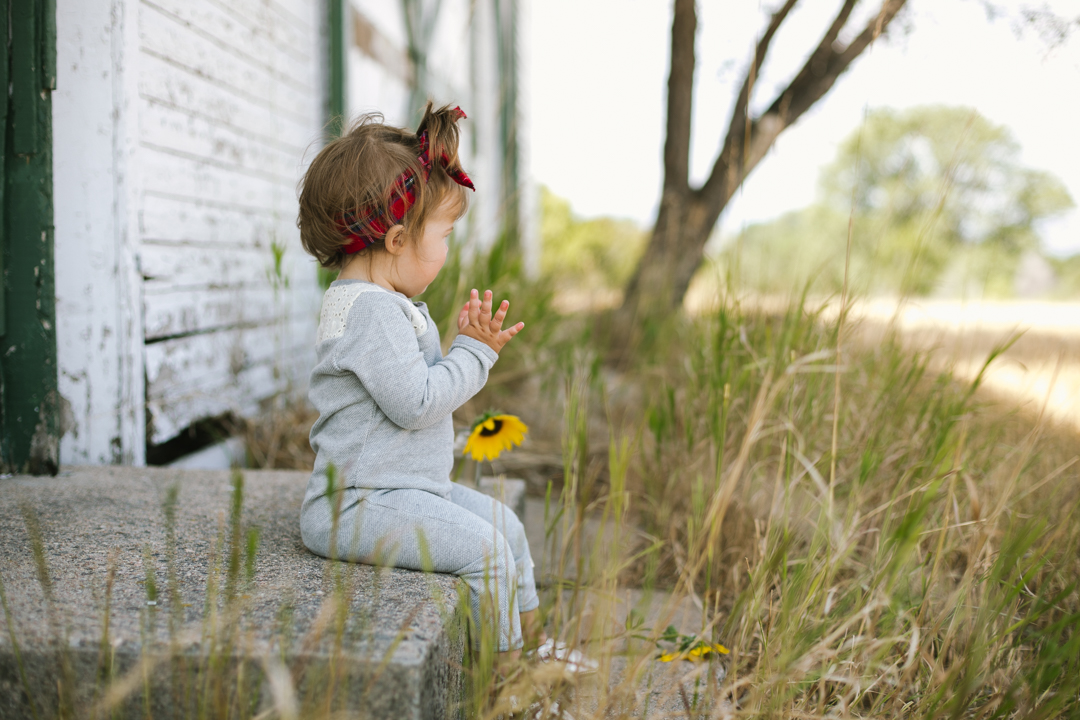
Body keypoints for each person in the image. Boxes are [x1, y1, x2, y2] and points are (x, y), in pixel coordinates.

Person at [296, 102, 544, 663]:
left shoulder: (381, 304)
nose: (448, 247)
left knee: (506, 526)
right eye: (446, 233)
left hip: (401, 491)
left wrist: (461, 347)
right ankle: (508, 680)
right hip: (358, 506)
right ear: (398, 238)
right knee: (486, 550)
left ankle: (535, 651)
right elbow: (418, 402)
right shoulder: (372, 313)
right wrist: (475, 355)